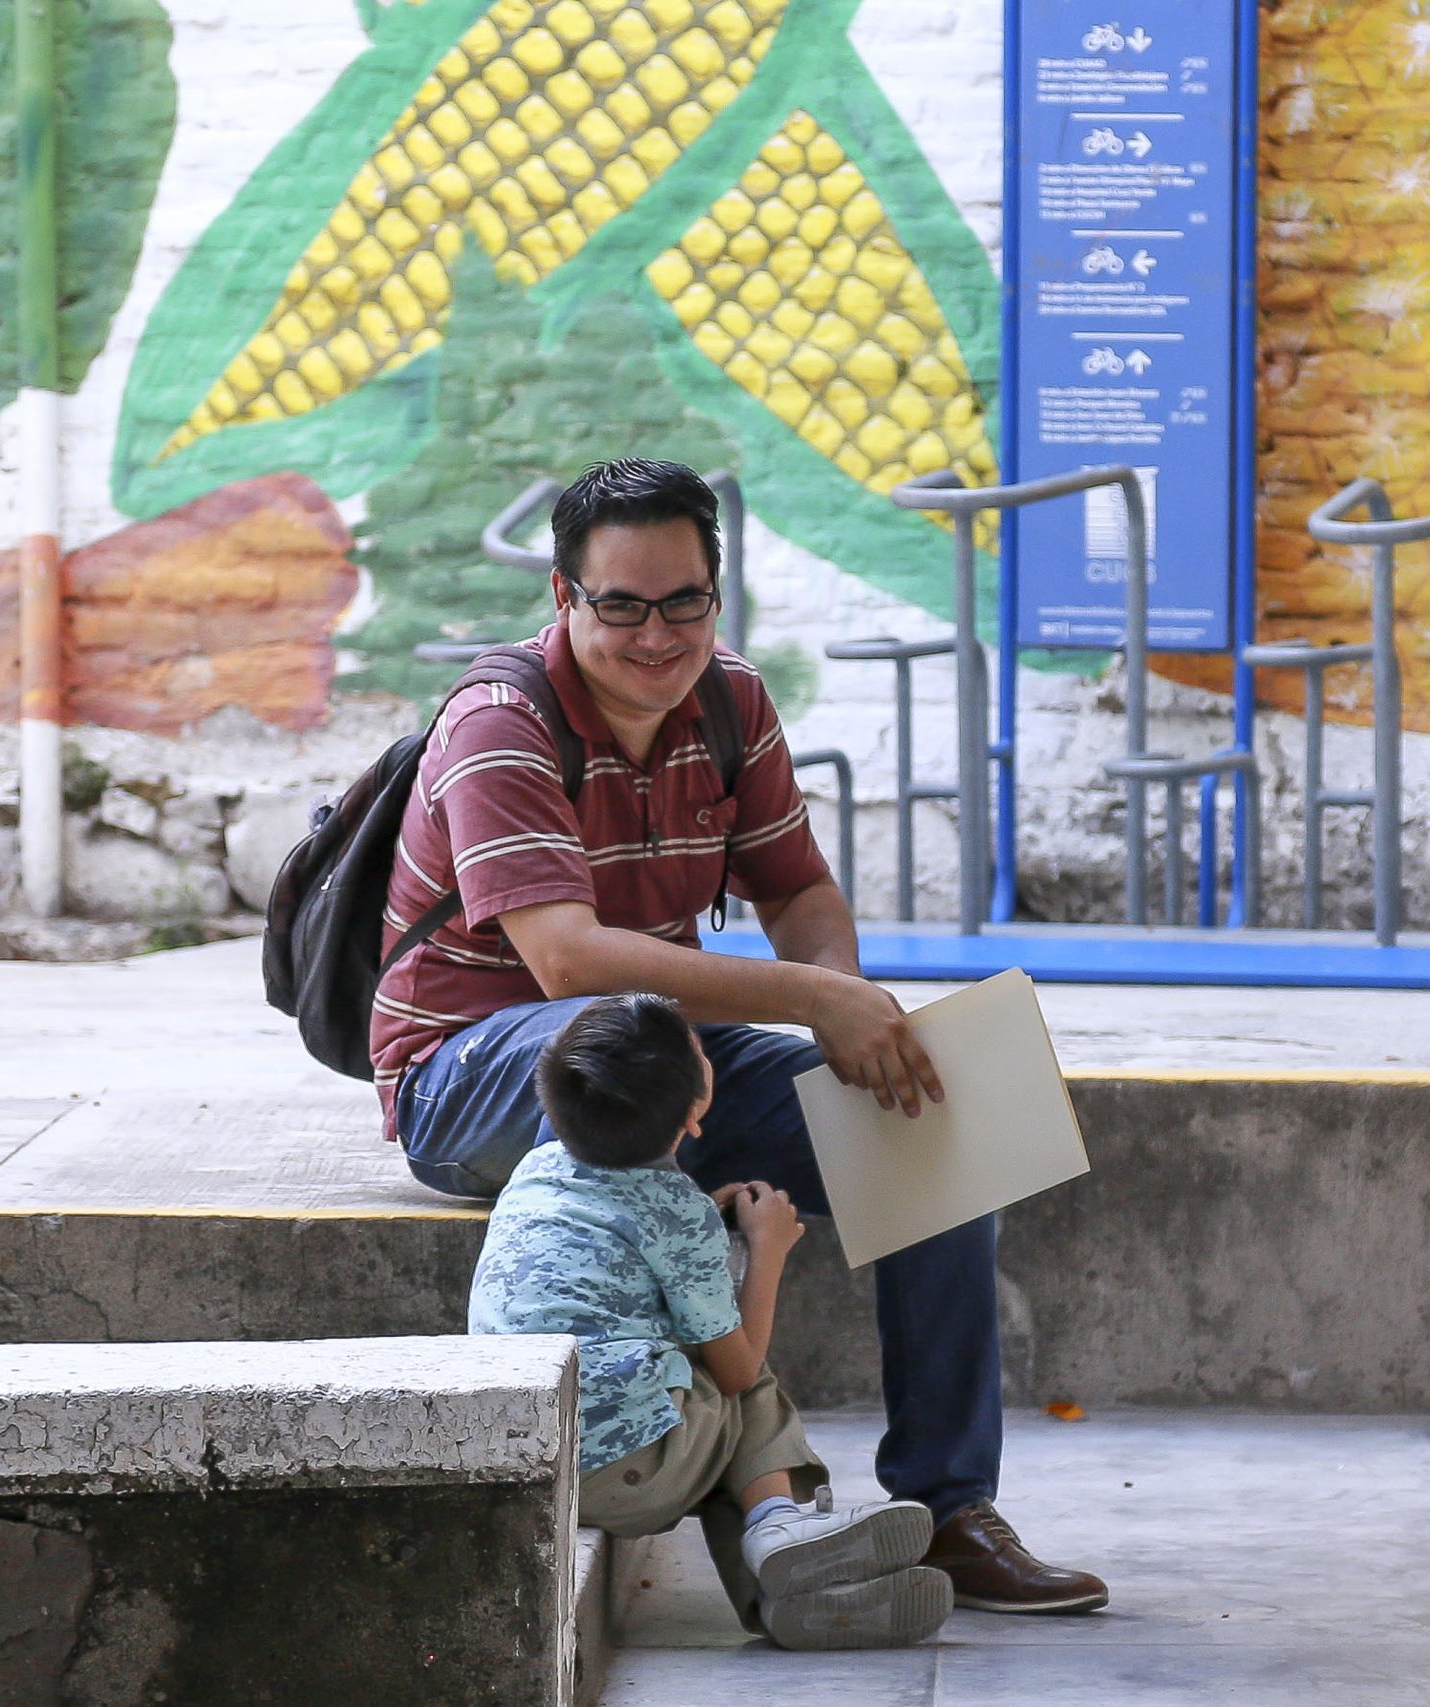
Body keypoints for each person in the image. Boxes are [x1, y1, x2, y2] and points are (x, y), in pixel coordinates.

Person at [374, 457, 1106, 1614]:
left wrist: (845, 1007)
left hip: (656, 1060)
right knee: (621, 1033)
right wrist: (811, 1001)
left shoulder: (729, 700)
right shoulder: (499, 723)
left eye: (685, 602)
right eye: (622, 605)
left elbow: (797, 890)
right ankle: (758, 1515)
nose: (656, 636)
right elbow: (566, 963)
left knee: (932, 1122)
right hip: (469, 1074)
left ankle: (950, 1508)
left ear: (717, 593)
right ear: (563, 597)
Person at [470, 993, 952, 1649]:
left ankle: (785, 1601)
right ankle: (779, 1522)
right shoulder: (679, 1214)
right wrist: (768, 1250)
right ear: (696, 1112)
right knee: (738, 1389)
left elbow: (627, 1233)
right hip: (628, 1467)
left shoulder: (534, 1170)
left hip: (533, 1457)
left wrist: (698, 1227)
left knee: (700, 1412)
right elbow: (738, 1368)